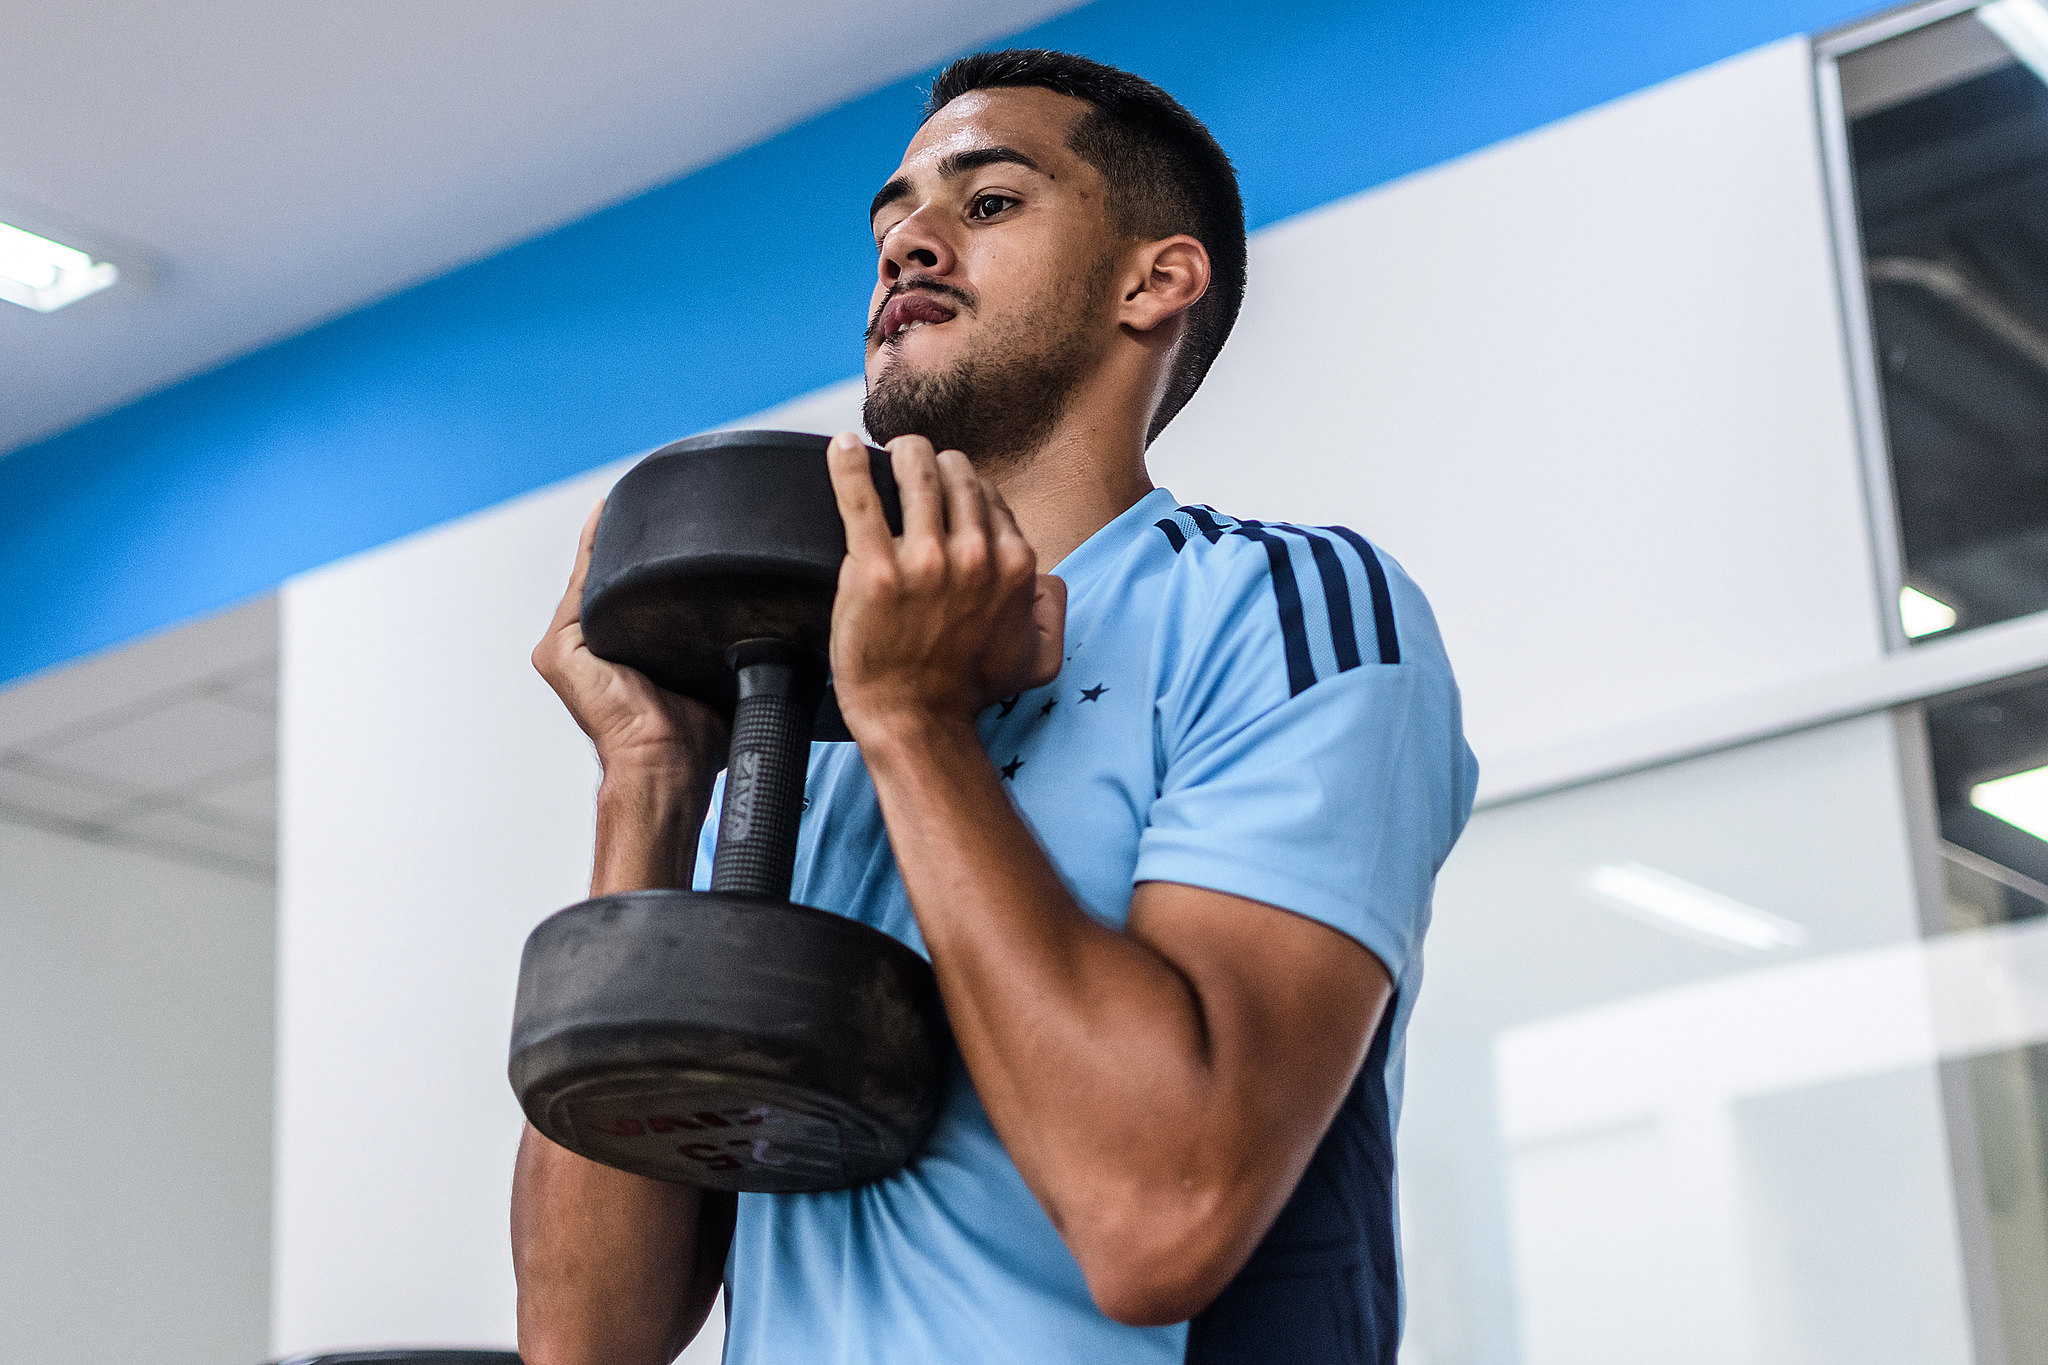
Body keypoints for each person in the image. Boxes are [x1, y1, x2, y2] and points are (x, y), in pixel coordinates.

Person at [513, 48, 1477, 1365]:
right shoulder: (820, 720)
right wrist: (654, 783)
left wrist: (917, 726)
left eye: (990, 202)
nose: (908, 241)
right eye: (894, 217)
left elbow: (1162, 1216)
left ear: (1156, 279)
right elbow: (585, 1340)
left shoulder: (1279, 605)